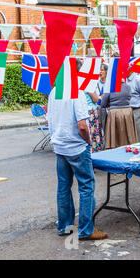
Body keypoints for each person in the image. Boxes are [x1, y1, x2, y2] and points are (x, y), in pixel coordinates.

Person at [47, 89, 108, 241]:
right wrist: (88, 141)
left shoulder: (54, 92)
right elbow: (82, 125)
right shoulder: (76, 93)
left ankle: (65, 227)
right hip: (76, 147)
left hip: (60, 146)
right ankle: (86, 230)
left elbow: (50, 120)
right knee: (86, 187)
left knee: (63, 187)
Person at [101, 80, 138, 149]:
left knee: (115, 139)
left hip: (114, 113)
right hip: (127, 112)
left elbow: (103, 104)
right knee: (128, 137)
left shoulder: (109, 87)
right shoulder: (128, 87)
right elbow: (129, 98)